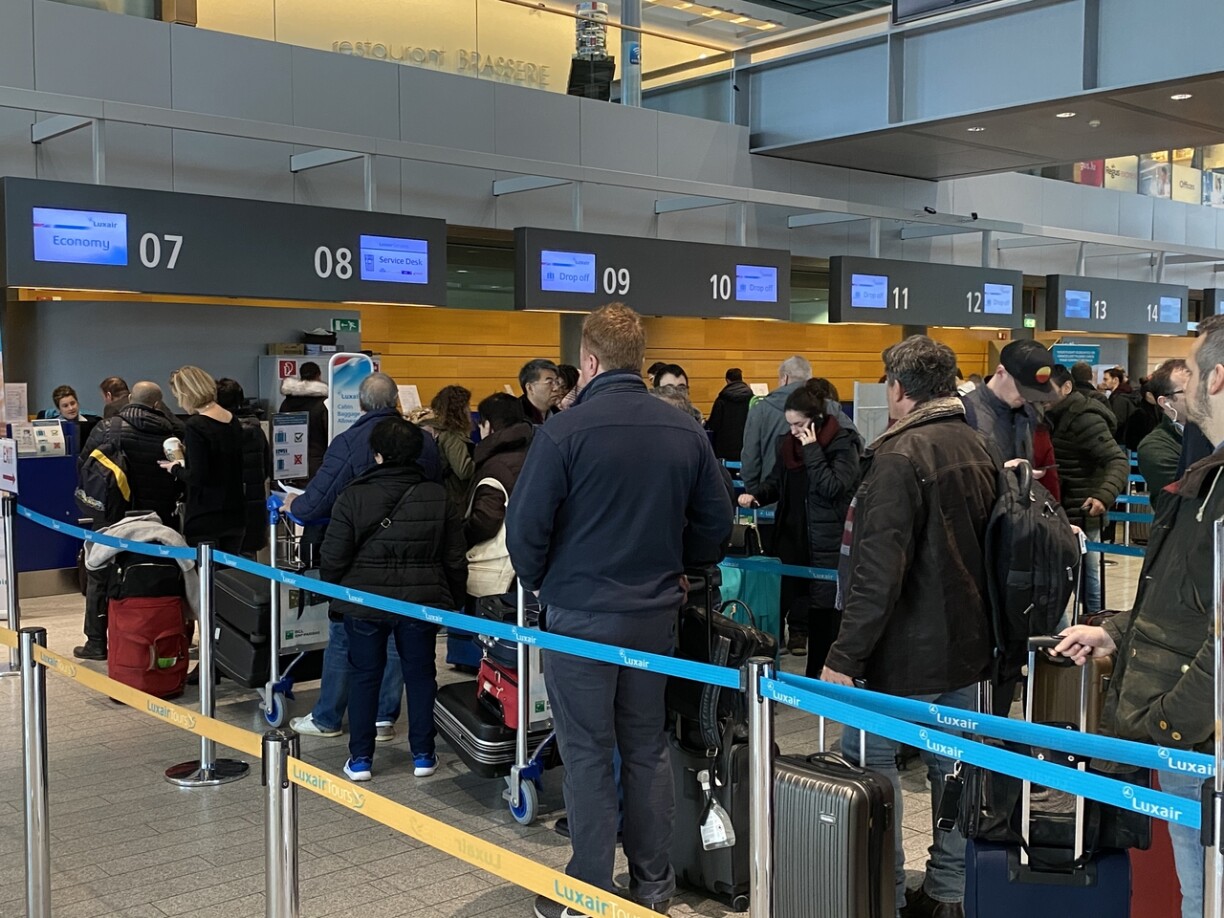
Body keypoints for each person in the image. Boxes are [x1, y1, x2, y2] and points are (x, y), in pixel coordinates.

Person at [506, 303, 731, 918]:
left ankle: (588, 887)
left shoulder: (562, 431)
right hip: (654, 615)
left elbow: (524, 532)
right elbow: (717, 523)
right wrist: (678, 565)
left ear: (589, 360)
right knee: (647, 747)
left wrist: (548, 581)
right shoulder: (685, 431)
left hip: (579, 617)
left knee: (585, 752)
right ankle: (653, 887)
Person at [1052, 314, 1224, 918]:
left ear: (1218, 379)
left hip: (1197, 741)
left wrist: (1170, 722)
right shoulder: (1208, 475)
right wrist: (1115, 631)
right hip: (1192, 737)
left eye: (1195, 374)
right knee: (1197, 889)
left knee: (1208, 893)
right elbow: (1183, 601)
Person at [823, 335, 998, 918]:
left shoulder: (899, 457)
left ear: (897, 390)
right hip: (969, 644)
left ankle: (886, 896)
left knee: (869, 765)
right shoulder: (979, 444)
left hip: (905, 651)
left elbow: (877, 572)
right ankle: (948, 891)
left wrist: (844, 656)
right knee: (954, 767)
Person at [321, 416, 467, 782]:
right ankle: (423, 753)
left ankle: (360, 759)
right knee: (420, 675)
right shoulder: (438, 495)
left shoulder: (353, 494)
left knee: (364, 675)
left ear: (377, 454)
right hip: (420, 600)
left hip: (364, 600)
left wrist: (338, 590)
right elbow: (454, 557)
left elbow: (333, 555)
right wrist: (453, 597)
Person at [286, 372, 422, 740]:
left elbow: (315, 503)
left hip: (358, 559)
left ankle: (328, 716)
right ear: (395, 402)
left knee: (345, 634)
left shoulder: (348, 442)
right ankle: (383, 717)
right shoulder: (424, 441)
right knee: (396, 635)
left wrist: (292, 503)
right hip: (411, 557)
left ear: (360, 404)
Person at [737, 378, 863, 674]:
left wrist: (813, 452)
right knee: (782, 600)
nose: (792, 431)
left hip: (824, 538)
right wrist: (756, 495)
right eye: (790, 424)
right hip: (791, 534)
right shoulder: (788, 444)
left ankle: (817, 674)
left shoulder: (842, 443)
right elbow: (778, 482)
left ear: (815, 420)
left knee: (822, 611)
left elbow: (833, 486)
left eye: (798, 425)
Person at [741, 355, 814, 653]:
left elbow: (750, 455)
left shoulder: (761, 408)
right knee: (807, 573)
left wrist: (753, 493)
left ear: (783, 378)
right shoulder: (823, 410)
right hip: (809, 512)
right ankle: (800, 633)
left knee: (774, 574)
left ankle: (772, 633)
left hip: (768, 507)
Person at [1045, 364, 1129, 615]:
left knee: (1088, 575)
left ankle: (1095, 621)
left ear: (1066, 387)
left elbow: (1117, 460)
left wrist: (1103, 495)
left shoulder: (1085, 417)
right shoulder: (1045, 415)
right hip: (1057, 508)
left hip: (1083, 511)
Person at [160, 367, 245, 553]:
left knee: (207, 576)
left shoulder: (196, 425)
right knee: (229, 576)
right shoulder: (232, 420)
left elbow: (198, 476)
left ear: (185, 393)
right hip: (235, 511)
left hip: (206, 515)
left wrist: (174, 468)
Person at [960, 339, 1057, 465]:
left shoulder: (1028, 413)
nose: (1028, 398)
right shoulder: (965, 414)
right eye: (1023, 389)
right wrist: (1002, 473)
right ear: (1001, 372)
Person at [465, 393, 533, 553]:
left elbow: (485, 521)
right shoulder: (535, 449)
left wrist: (460, 538)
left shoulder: (495, 465)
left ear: (487, 425)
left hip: (504, 560)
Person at [215, 378, 271, 556]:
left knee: (221, 567)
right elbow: (266, 469)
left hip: (223, 509)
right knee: (248, 564)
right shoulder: (256, 429)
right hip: (253, 504)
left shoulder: (214, 430)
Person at [1136, 358, 1189, 515]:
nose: (1200, 396)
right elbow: (1187, 498)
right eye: (1188, 391)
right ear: (1165, 402)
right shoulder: (1154, 447)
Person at [421, 384, 474, 511]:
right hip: (454, 497)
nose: (470, 410)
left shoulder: (431, 429)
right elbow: (463, 470)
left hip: (436, 494)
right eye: (467, 406)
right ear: (459, 411)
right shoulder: (451, 435)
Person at [278, 361, 328, 482]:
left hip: (288, 462)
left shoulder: (286, 403)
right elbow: (328, 433)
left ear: (301, 377)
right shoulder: (323, 404)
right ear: (318, 376)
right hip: (316, 463)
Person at [705, 368, 755, 462]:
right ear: (741, 379)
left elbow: (714, 425)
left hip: (724, 449)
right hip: (746, 447)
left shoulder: (722, 399)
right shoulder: (751, 398)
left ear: (727, 380)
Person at [1104, 367, 1142, 445]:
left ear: (1115, 380)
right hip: (1125, 438)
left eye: (1106, 379)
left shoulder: (1119, 398)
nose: (1103, 382)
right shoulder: (1125, 394)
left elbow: (1117, 420)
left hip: (1119, 439)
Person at [518, 358, 561, 425]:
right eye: (549, 382)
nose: (556, 388)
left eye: (556, 382)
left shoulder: (559, 415)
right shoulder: (516, 418)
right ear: (530, 388)